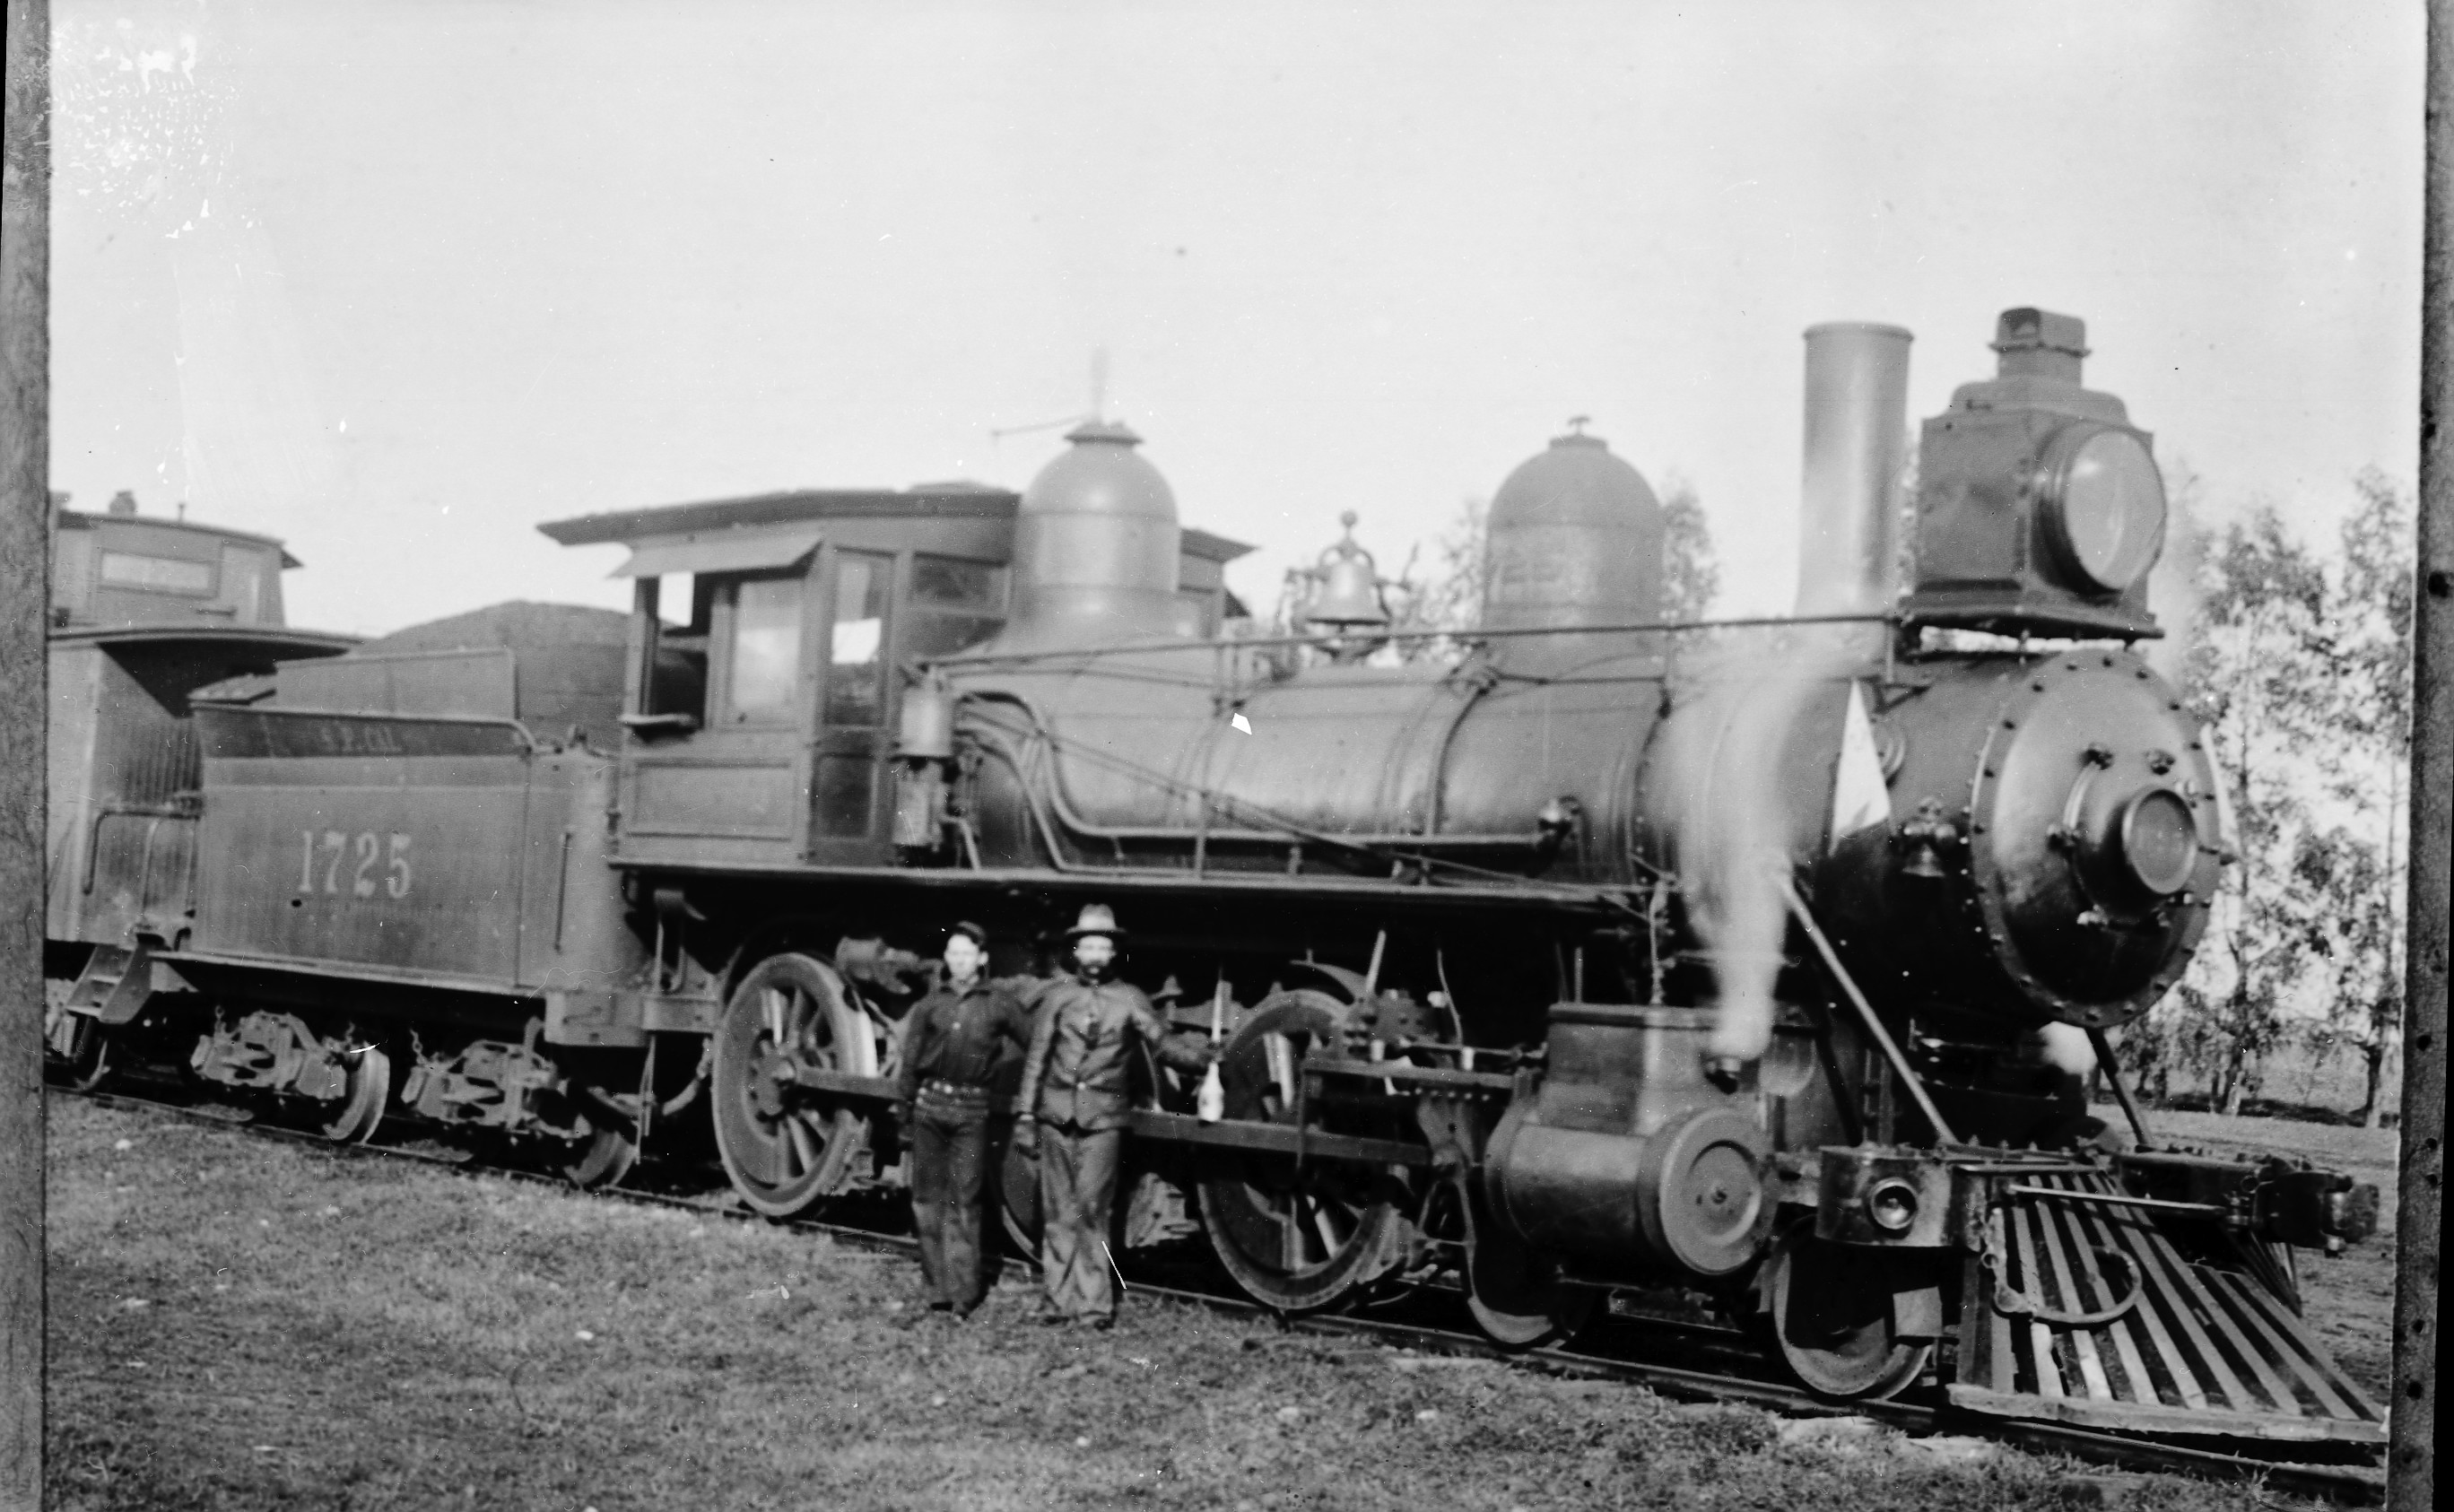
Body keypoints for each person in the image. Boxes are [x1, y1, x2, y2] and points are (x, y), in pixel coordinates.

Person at [1014, 903, 1214, 1329]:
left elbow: (1162, 1044)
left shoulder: (1130, 999)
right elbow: (1036, 1059)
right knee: (1057, 1211)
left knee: (1092, 1210)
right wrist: (1025, 1116)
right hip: (1056, 1116)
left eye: (1102, 948)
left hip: (1103, 1121)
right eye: (1087, 947)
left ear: (1112, 954)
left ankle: (1093, 1306)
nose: (1094, 955)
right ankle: (1057, 1300)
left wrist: (1204, 1060)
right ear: (1076, 952)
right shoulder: (1058, 998)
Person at [894, 921, 1034, 1319]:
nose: (959, 961)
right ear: (946, 958)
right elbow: (910, 1062)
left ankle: (963, 1295)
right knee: (926, 1200)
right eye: (953, 954)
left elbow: (1035, 1042)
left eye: (967, 954)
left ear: (982, 959)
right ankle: (936, 1291)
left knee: (965, 1201)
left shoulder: (1000, 1004)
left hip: (972, 1113)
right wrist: (904, 1112)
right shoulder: (930, 1004)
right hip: (929, 1108)